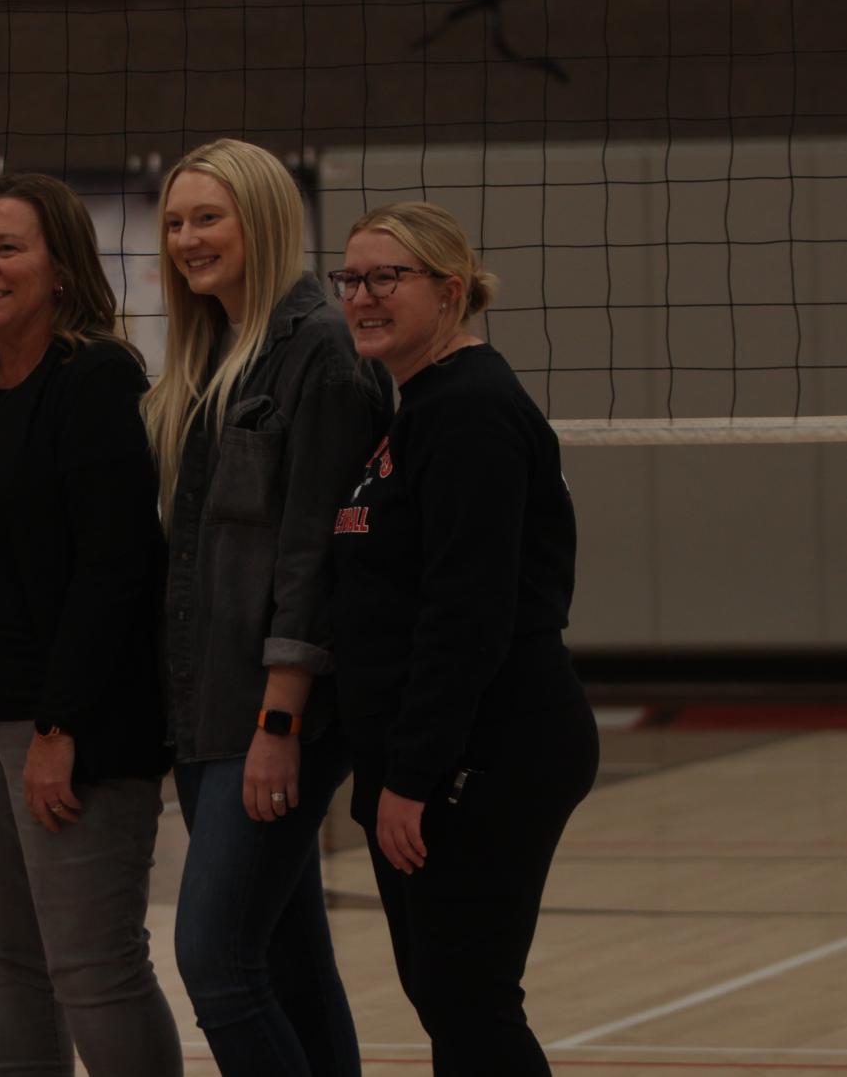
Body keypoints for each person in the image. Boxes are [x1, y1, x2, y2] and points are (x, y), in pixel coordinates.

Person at [0, 172, 181, 1077]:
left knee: (92, 968)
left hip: (63, 721)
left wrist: (60, 726)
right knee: (0, 966)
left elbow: (114, 570)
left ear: (60, 267)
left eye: (8, 248)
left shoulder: (97, 376)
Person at [327, 202, 599, 1076]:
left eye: (385, 278)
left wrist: (412, 774)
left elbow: (466, 613)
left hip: (488, 746)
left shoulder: (470, 412)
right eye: (351, 279)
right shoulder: (420, 407)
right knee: (451, 997)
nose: (362, 297)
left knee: (468, 999)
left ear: (449, 292)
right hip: (444, 745)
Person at [143, 140, 386, 1076]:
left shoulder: (318, 348)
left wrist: (280, 720)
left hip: (271, 714)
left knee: (214, 964)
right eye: (173, 221)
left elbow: (314, 557)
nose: (186, 239)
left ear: (265, 218)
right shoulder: (209, 350)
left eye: (208, 217)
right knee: (286, 958)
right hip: (206, 712)